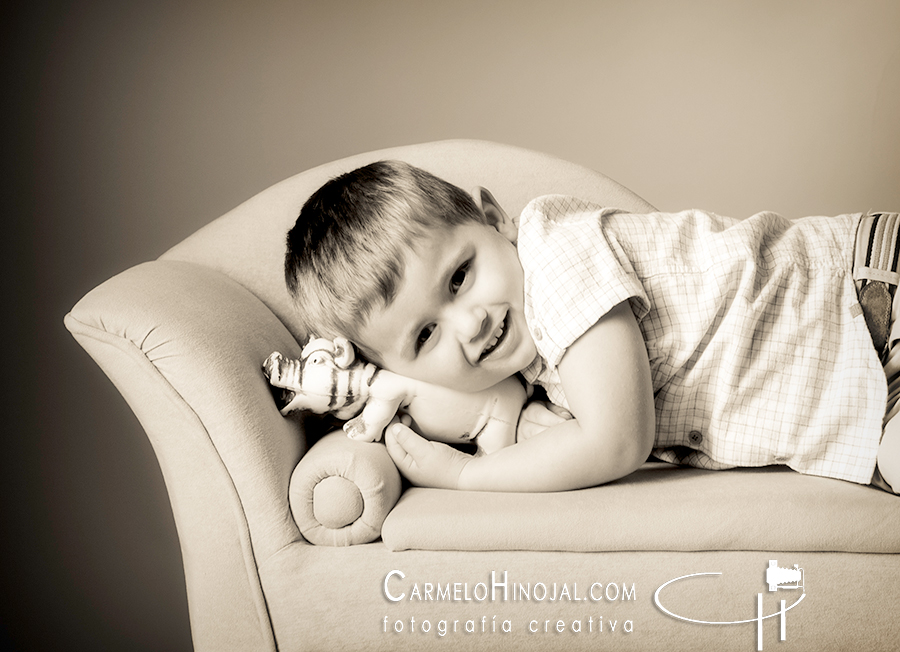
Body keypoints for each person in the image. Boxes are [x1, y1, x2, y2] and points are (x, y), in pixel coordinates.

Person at [284, 160, 900, 494]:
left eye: (459, 278)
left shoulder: (557, 259)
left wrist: (467, 474)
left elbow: (617, 442)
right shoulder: (530, 367)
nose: (468, 324)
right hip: (862, 373)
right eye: (424, 337)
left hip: (862, 299)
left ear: (496, 220)